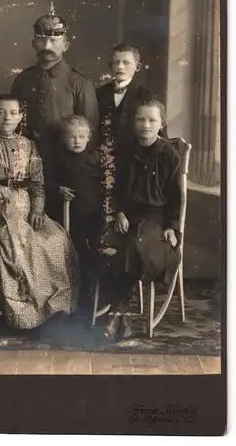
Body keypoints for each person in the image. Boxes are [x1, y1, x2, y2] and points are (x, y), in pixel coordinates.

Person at [0, 94, 79, 330]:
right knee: (20, 247)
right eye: (1, 112)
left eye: (13, 112)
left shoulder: (28, 145)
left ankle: (54, 307)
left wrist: (38, 209)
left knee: (56, 239)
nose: (7, 117)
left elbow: (37, 182)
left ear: (21, 117)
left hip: (27, 207)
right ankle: (25, 314)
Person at [11, 2, 99, 222]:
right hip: (28, 160)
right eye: (41, 40)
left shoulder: (80, 83)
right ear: (34, 43)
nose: (47, 45)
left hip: (66, 167)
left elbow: (90, 133)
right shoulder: (23, 80)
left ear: (65, 45)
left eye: (54, 40)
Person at [103, 98, 182, 340]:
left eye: (151, 120)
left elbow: (176, 196)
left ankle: (118, 311)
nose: (145, 125)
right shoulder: (125, 152)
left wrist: (172, 227)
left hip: (155, 217)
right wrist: (119, 212)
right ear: (133, 122)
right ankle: (122, 315)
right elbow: (113, 188)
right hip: (128, 214)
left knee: (138, 246)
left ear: (162, 123)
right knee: (111, 244)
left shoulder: (169, 154)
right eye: (140, 119)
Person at [96, 43, 167, 248]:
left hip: (135, 162)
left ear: (137, 66)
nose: (120, 66)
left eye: (126, 62)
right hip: (104, 162)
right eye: (116, 62)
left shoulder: (146, 94)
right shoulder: (99, 94)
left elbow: (158, 133)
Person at [47, 115, 103, 307]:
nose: (77, 141)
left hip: (92, 214)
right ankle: (68, 294)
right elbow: (47, 182)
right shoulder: (58, 159)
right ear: (63, 138)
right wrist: (58, 189)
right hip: (66, 215)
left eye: (81, 136)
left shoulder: (95, 158)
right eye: (72, 137)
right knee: (71, 251)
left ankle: (90, 292)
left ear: (89, 138)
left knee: (93, 252)